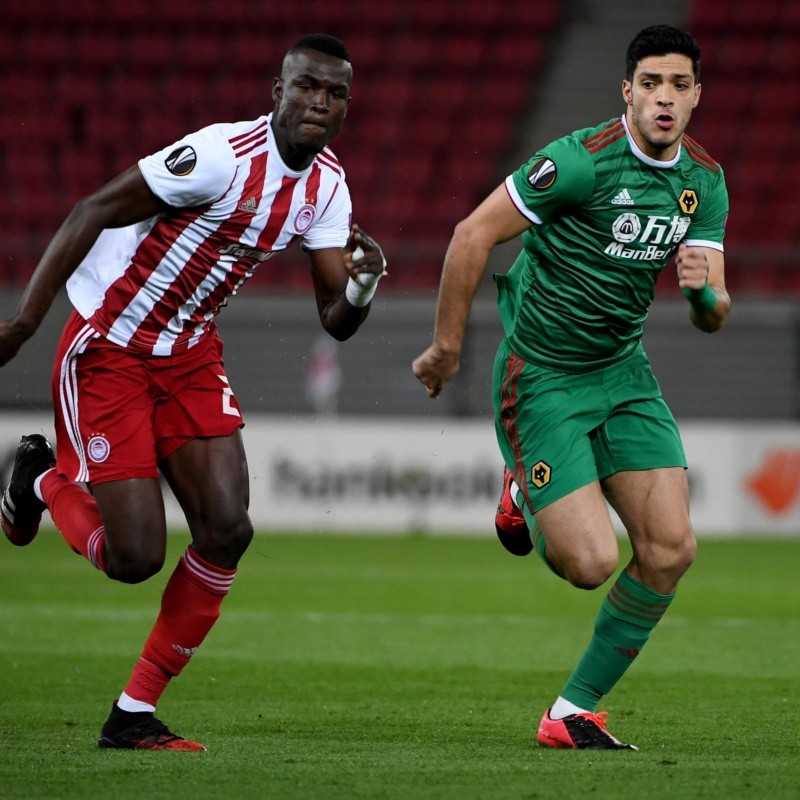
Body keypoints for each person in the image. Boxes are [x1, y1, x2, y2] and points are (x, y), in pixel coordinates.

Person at [0, 33, 386, 751]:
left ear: (345, 110)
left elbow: (335, 320)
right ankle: (43, 481)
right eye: (306, 87)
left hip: (189, 354)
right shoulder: (217, 156)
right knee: (134, 558)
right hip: (111, 344)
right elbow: (91, 209)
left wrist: (363, 281)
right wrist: (24, 323)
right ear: (278, 92)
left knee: (228, 531)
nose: (318, 103)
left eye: (334, 95)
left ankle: (133, 715)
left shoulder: (328, 187)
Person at [413, 24, 729, 750]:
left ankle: (569, 713)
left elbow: (714, 311)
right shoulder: (580, 162)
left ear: (697, 96)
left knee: (673, 549)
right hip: (545, 376)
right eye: (651, 82)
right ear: (627, 90)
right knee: (590, 565)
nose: (664, 97)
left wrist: (706, 299)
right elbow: (471, 235)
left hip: (623, 372)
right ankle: (523, 485)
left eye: (679, 85)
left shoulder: (703, 184)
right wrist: (446, 348)